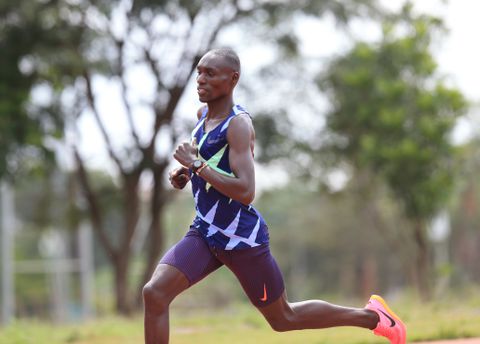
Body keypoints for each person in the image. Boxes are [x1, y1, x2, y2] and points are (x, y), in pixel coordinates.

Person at [143, 48, 406, 344]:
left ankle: (373, 317)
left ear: (233, 79)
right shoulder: (202, 117)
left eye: (210, 74)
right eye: (199, 73)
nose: (200, 80)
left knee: (284, 319)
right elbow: (212, 168)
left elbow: (245, 191)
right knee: (155, 293)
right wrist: (186, 174)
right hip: (205, 232)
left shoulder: (238, 126)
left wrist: (196, 165)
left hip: (240, 237)